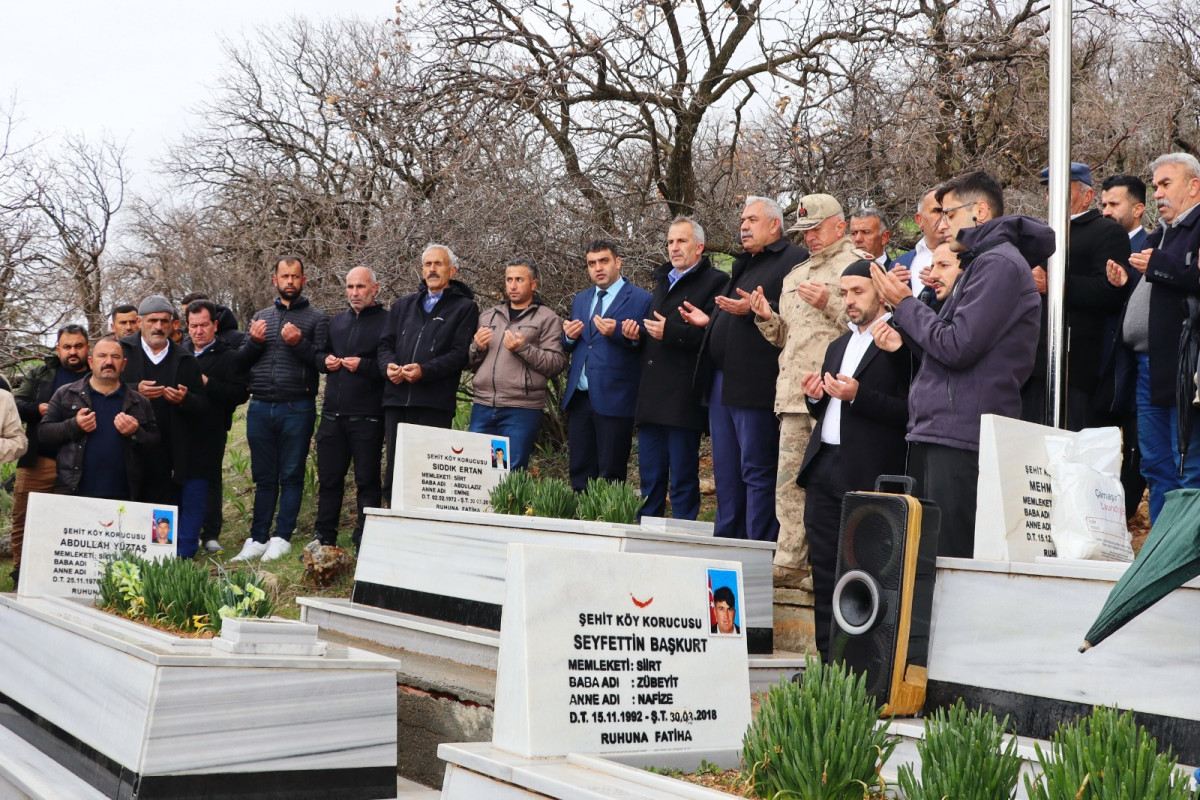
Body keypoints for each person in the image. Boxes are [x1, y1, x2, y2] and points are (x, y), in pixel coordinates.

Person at [872, 170, 1053, 558]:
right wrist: (904, 315)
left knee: (950, 560)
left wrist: (905, 304)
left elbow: (958, 346)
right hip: (942, 429)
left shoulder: (999, 265)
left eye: (950, 214)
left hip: (963, 434)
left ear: (980, 211)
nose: (941, 224)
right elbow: (945, 349)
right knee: (926, 560)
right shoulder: (984, 263)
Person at [747, 194, 865, 590]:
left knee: (831, 484)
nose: (809, 237)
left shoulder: (859, 265)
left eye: (816, 229)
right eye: (804, 231)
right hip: (794, 393)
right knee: (788, 484)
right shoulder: (795, 274)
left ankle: (828, 567)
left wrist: (831, 302)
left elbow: (874, 325)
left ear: (839, 225)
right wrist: (766, 318)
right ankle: (791, 561)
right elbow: (786, 337)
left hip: (835, 394)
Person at [798, 260, 912, 659]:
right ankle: (827, 664)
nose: (848, 300)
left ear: (881, 293)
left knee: (865, 572)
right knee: (824, 571)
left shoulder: (900, 341)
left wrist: (859, 396)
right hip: (823, 466)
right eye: (844, 292)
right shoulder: (838, 345)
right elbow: (829, 412)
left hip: (868, 471)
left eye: (857, 291)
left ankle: (862, 667)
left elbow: (910, 411)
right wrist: (815, 397)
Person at [681, 196, 806, 543]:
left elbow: (792, 317)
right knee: (726, 473)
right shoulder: (744, 263)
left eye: (752, 220)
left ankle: (758, 546)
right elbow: (732, 314)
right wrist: (711, 321)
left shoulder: (794, 260)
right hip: (722, 382)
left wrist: (752, 310)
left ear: (775, 225)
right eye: (742, 221)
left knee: (757, 470)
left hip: (755, 384)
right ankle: (727, 542)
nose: (744, 227)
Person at [1104, 153, 1200, 523]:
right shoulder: (1161, 233)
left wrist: (1157, 265)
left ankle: (1184, 551)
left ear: (1193, 186)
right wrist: (1124, 283)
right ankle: (1161, 547)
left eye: (1166, 184)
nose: (1157, 193)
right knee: (1156, 466)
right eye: (1156, 185)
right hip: (1147, 367)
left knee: (1186, 467)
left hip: (1184, 367)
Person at [622, 217, 727, 520]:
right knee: (650, 480)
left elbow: (716, 338)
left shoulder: (717, 282)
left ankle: (684, 536)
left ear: (700, 246)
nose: (674, 247)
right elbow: (653, 334)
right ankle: (647, 536)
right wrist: (634, 337)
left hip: (683, 397)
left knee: (682, 480)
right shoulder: (662, 281)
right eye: (670, 242)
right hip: (652, 397)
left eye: (681, 241)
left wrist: (671, 332)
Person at [230, 256, 330, 563]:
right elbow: (240, 363)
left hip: (296, 406)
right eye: (284, 276)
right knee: (263, 476)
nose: (290, 281)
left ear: (303, 280)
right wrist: (254, 342)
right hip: (260, 405)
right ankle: (258, 538)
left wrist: (299, 342)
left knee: (291, 474)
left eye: (295, 276)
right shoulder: (261, 317)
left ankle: (282, 537)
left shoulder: (317, 318)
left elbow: (322, 362)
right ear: (275, 279)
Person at [1023, 162, 1128, 429]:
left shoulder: (1107, 232)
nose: (1052, 198)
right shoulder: (1038, 235)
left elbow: (1108, 293)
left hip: (1076, 366)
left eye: (1062, 190)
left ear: (1087, 196)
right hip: (1032, 363)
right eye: (1049, 191)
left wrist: (1055, 286)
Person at [379, 244, 479, 499]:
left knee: (427, 475)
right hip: (397, 399)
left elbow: (459, 355)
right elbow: (385, 345)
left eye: (438, 264)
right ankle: (391, 515)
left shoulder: (465, 308)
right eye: (428, 264)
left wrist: (424, 371)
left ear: (452, 271)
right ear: (422, 270)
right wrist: (388, 366)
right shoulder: (403, 305)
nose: (432, 269)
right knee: (395, 469)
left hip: (434, 403)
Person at [119, 295, 209, 558]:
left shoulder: (185, 359)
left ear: (173, 324)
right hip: (128, 445)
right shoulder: (122, 352)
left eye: (164, 321)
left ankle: (164, 556)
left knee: (164, 503)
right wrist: (134, 390)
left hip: (170, 447)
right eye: (152, 321)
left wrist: (184, 399)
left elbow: (202, 406)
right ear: (139, 322)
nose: (158, 326)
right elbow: (102, 387)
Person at [561, 240, 652, 490]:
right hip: (580, 397)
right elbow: (573, 343)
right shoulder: (581, 299)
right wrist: (568, 336)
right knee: (579, 470)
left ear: (618, 262)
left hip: (616, 399)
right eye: (592, 263)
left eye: (604, 261)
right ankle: (583, 513)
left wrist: (620, 333)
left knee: (611, 472)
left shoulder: (641, 299)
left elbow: (647, 345)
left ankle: (609, 514)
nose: (598, 268)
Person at [313, 267, 388, 550]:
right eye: (350, 287)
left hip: (368, 416)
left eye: (360, 287)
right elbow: (318, 355)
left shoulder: (388, 322)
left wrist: (364, 365)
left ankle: (365, 537)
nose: (354, 293)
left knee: (367, 481)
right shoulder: (336, 322)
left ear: (374, 289)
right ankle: (324, 536)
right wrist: (325, 361)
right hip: (332, 415)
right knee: (329, 480)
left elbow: (389, 365)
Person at [11, 325, 90, 587]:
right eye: (67, 347)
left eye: (78, 346)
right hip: (39, 460)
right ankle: (20, 575)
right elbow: (15, 405)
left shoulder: (96, 375)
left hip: (80, 462)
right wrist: (39, 409)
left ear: (87, 348)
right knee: (24, 519)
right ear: (58, 349)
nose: (73, 351)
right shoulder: (42, 373)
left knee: (70, 523)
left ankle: (59, 580)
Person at [468, 260, 566, 472]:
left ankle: (506, 496)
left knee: (507, 471)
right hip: (483, 405)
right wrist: (477, 347)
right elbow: (471, 362)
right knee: (478, 470)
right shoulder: (488, 316)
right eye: (509, 280)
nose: (512, 285)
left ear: (533, 284)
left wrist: (523, 348)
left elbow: (556, 363)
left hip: (520, 409)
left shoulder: (547, 318)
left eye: (519, 280)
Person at [39, 337, 159, 500]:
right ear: (90, 362)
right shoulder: (66, 393)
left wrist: (135, 432)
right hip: (74, 492)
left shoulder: (140, 402)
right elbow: (44, 433)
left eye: (115, 357)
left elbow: (154, 444)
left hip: (124, 497)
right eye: (102, 356)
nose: (109, 362)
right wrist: (74, 425)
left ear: (123, 364)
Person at [186, 299, 250, 555]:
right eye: (193, 326)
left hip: (212, 427)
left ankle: (210, 534)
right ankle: (181, 533)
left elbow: (240, 394)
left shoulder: (229, 356)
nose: (198, 331)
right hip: (180, 428)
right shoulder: (179, 353)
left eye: (203, 325)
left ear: (214, 325)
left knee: (210, 479)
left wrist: (208, 383)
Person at [892, 189, 947, 304]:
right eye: (937, 211)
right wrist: (889, 290)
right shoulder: (900, 264)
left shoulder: (972, 259)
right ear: (919, 220)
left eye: (949, 211)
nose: (944, 217)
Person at [1101, 174, 1149, 252]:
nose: (1106, 212)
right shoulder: (1098, 248)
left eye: (1114, 204)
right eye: (1104, 205)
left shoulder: (1149, 251)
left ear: (1137, 210)